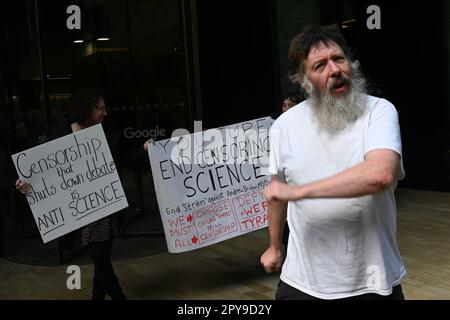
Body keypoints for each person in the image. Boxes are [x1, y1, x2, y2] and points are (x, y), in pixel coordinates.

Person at [260, 24, 406, 300]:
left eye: (338, 59)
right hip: (301, 282)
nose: (335, 69)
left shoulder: (379, 112)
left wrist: (298, 192)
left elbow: (380, 175)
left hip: (371, 281)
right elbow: (278, 190)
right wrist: (275, 246)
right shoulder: (284, 126)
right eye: (320, 66)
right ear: (303, 80)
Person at [15, 89, 152, 300]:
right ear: (87, 109)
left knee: (100, 257)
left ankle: (117, 297)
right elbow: (43, 168)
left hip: (105, 206)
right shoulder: (61, 133)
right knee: (101, 259)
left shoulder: (107, 132)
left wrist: (142, 149)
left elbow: (124, 157)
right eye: (101, 108)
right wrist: (26, 183)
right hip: (78, 209)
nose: (105, 113)